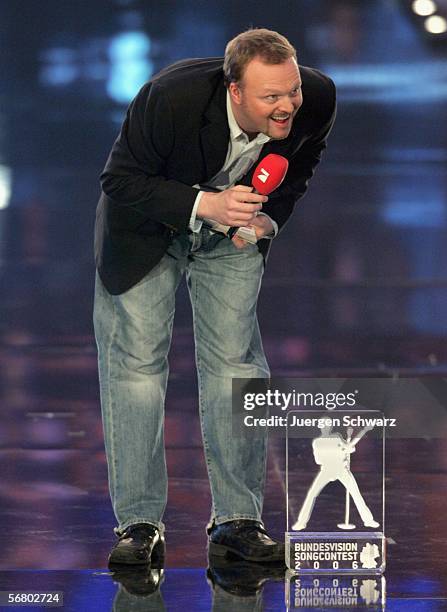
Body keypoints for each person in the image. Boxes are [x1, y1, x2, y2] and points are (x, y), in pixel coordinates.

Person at [93, 27, 336, 566]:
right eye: (270, 97)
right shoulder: (169, 99)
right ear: (234, 91)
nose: (286, 106)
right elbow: (121, 180)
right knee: (136, 368)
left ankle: (238, 522)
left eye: (290, 91)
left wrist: (271, 219)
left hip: (236, 230)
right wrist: (206, 205)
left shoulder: (315, 99)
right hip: (149, 228)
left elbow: (302, 164)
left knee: (236, 367)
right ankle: (138, 526)